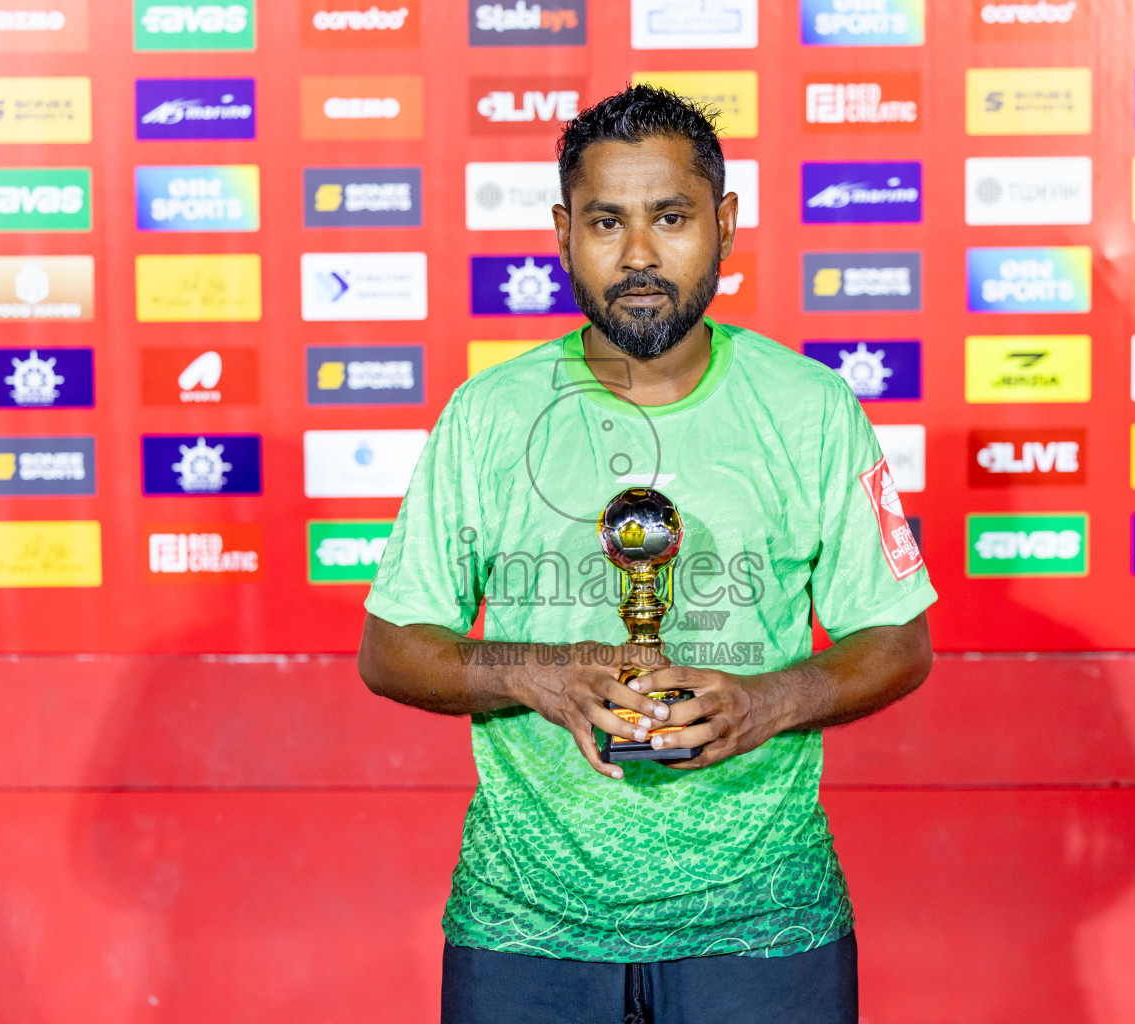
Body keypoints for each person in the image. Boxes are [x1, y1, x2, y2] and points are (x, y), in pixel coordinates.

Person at [357, 85, 937, 1024]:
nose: (637, 255)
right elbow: (390, 649)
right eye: (605, 222)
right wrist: (539, 674)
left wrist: (767, 701)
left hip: (764, 927)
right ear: (561, 231)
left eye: (670, 218)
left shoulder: (812, 409)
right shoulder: (491, 415)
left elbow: (899, 641)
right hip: (526, 930)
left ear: (725, 223)